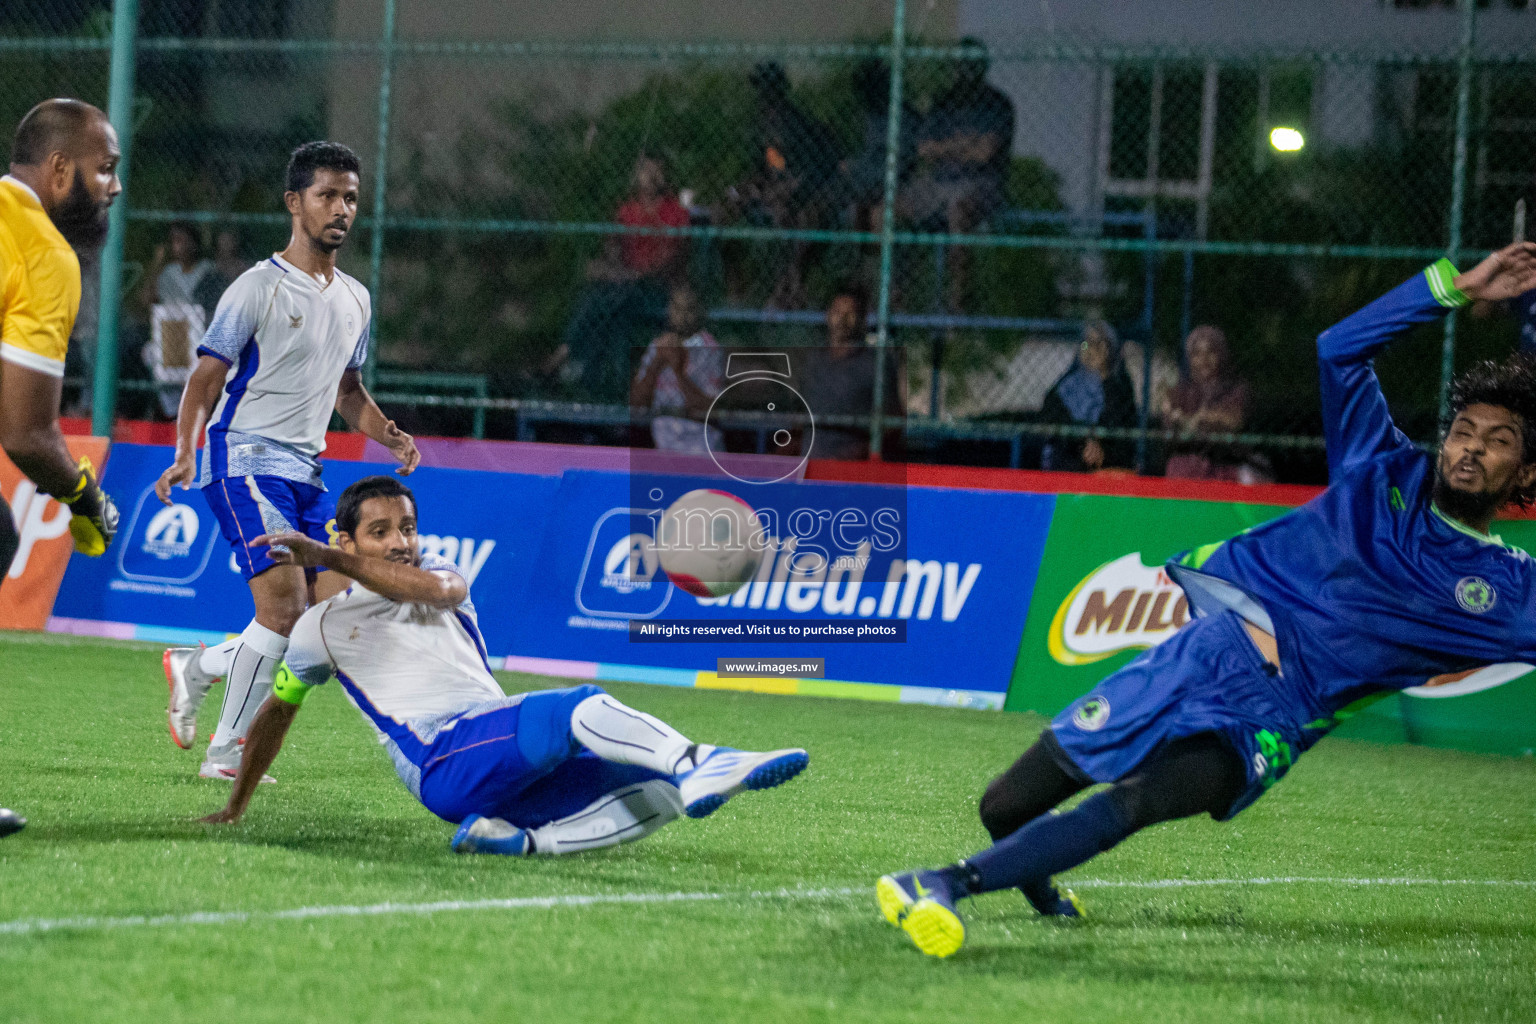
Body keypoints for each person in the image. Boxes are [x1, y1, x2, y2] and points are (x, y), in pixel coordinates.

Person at [875, 247, 1536, 958]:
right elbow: (1339, 349)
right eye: (1463, 431)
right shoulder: (1380, 469)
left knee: (1139, 802)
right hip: (1212, 650)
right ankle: (1038, 887)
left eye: (1497, 443)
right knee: (1003, 806)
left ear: (1525, 472)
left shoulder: (1508, 588)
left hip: (1277, 718)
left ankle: (941, 883)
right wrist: (1455, 290)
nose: (1470, 448)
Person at [198, 475, 809, 856]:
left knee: (662, 793)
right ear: (347, 539)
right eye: (380, 531)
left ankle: (526, 843)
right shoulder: (317, 630)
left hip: (492, 744)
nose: (400, 541)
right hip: (440, 758)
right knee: (580, 705)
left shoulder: (442, 577)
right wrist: (238, 804)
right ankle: (701, 760)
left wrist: (330, 557)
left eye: (406, 527)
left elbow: (435, 592)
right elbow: (280, 709)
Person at [155, 141, 420, 783]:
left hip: (306, 470)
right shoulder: (257, 287)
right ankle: (226, 753)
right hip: (242, 456)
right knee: (281, 609)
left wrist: (388, 435)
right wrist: (185, 453)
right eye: (327, 195)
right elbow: (203, 381)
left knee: (323, 614)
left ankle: (200, 667)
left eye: (350, 197)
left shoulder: (355, 297)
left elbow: (346, 390)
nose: (341, 209)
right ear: (294, 203)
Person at [0, 98, 124, 838]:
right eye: (104, 167)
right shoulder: (43, 252)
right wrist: (85, 497)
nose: (112, 185)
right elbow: (25, 433)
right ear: (58, 169)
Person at [554, 155, 689, 405]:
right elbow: (612, 251)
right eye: (643, 170)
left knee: (607, 303)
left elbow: (669, 261)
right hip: (624, 289)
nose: (649, 176)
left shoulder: (675, 213)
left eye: (655, 169)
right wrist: (606, 268)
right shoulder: (626, 210)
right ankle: (604, 389)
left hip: (654, 290)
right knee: (615, 315)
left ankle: (568, 353)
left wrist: (633, 274)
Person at [901, 39, 1015, 311]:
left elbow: (985, 153)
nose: (964, 71)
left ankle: (957, 299)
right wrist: (965, 143)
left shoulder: (997, 104)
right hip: (939, 181)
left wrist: (947, 147)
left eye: (971, 66)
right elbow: (923, 148)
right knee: (889, 209)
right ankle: (894, 295)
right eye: (961, 65)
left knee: (959, 212)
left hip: (981, 183)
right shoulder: (944, 101)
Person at [795, 283, 905, 461]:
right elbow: (799, 420)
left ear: (861, 319)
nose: (843, 320)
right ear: (828, 315)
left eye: (850, 314)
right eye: (838, 312)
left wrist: (857, 454)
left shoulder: (876, 364)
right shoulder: (813, 361)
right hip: (810, 466)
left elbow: (894, 424)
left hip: (852, 470)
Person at [1160, 324, 1268, 482]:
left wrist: (1200, 418)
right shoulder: (1180, 392)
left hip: (1224, 463)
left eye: (1211, 352)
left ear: (1221, 355)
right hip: (1186, 465)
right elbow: (1171, 427)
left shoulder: (1235, 389)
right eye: (1197, 354)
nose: (1204, 360)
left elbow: (1233, 421)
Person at [630, 283, 724, 453]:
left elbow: (707, 409)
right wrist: (656, 364)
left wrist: (678, 371)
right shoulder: (658, 345)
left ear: (700, 312)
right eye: (677, 308)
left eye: (689, 309)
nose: (683, 316)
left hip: (700, 444)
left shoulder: (710, 349)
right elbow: (637, 403)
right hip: (663, 442)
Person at [1039, 320, 1138, 473]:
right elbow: (1052, 416)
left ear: (1110, 349)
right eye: (1085, 344)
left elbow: (1120, 424)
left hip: (1108, 456)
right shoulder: (1068, 384)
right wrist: (1084, 442)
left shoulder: (1120, 386)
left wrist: (1104, 376)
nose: (1091, 350)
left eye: (1098, 344)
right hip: (1073, 450)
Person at [139, 222, 215, 417]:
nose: (177, 246)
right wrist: (157, 261)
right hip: (171, 334)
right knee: (149, 353)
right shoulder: (168, 273)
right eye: (173, 241)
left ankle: (196, 410)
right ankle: (173, 411)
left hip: (200, 335)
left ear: (194, 243)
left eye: (182, 240)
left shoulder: (207, 270)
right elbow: (146, 298)